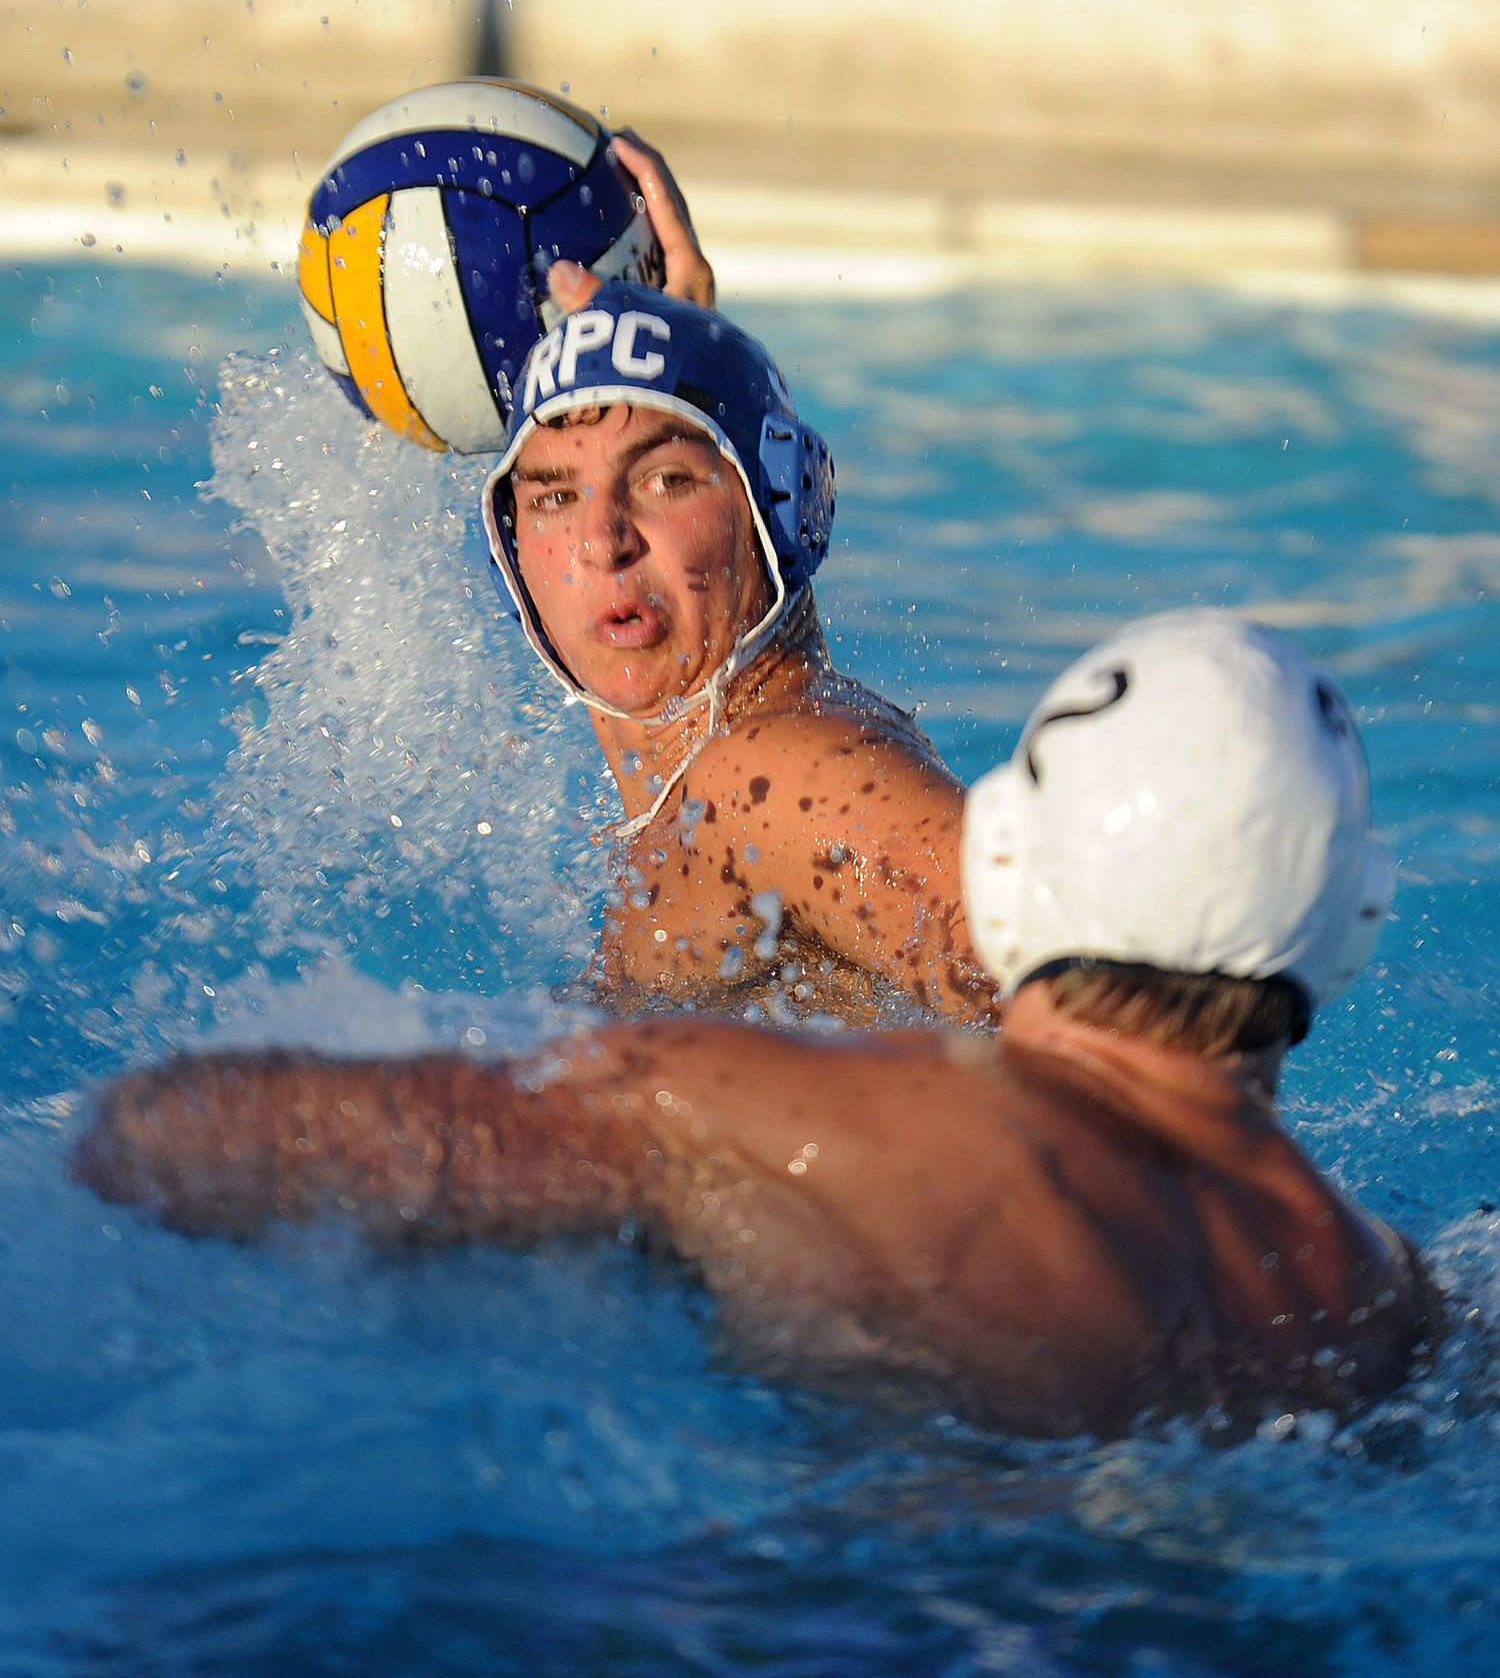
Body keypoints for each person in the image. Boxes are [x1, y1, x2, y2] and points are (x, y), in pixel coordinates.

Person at [74, 612, 1435, 1439]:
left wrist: (112, 1121)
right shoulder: (1396, 1301)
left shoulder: (790, 1108)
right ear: (1355, 923)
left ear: (1006, 862)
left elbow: (223, 1144)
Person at [483, 274, 995, 1026]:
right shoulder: (724, 782)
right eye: (555, 497)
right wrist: (676, 340)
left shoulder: (771, 783)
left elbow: (1114, 1004)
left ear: (778, 511)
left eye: (666, 480)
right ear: (510, 555)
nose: (601, 542)